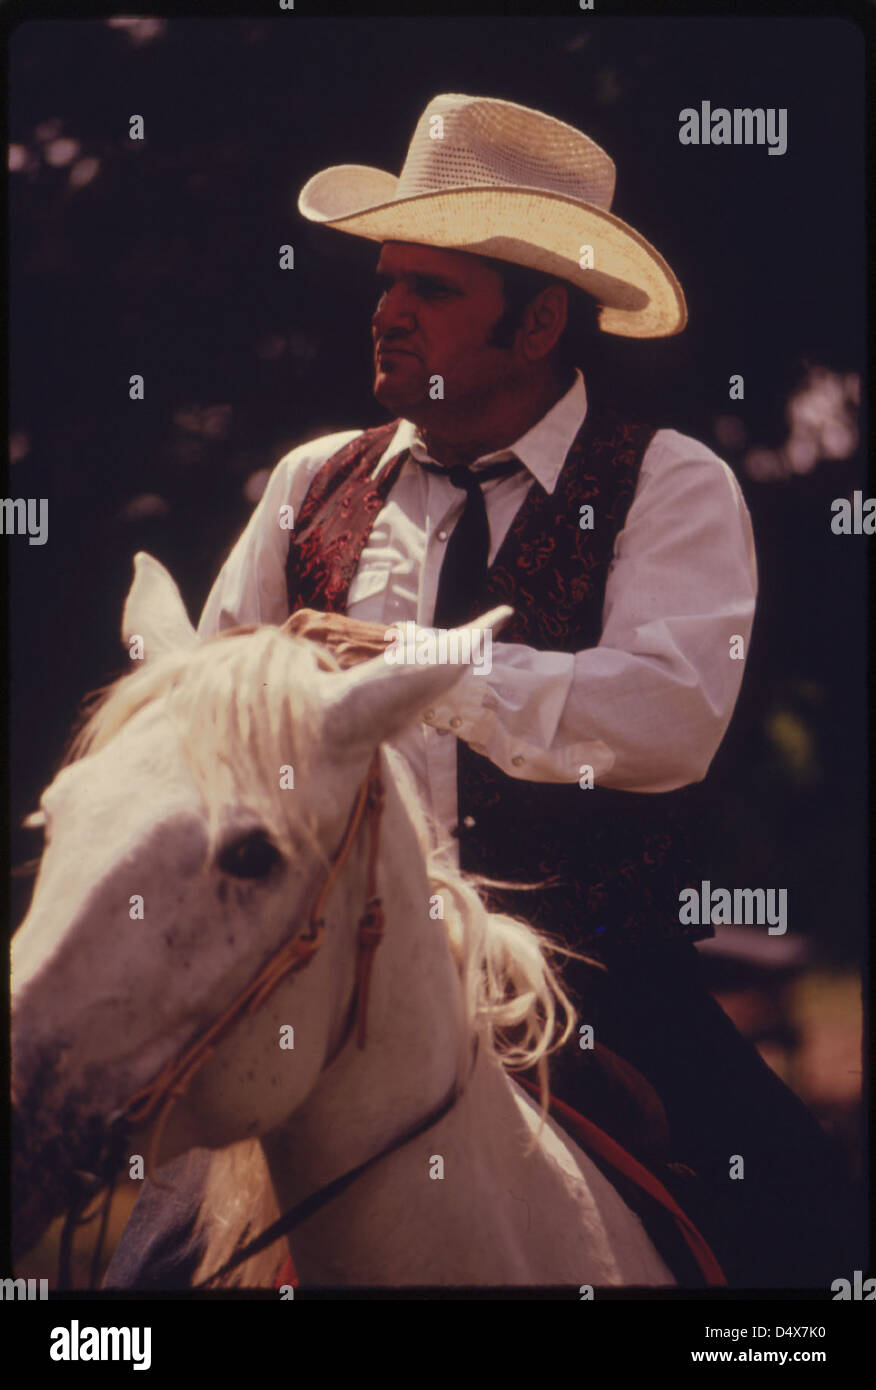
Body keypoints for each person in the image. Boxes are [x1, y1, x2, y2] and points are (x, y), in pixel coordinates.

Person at [104, 92, 857, 1290]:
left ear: (542, 319)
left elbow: (667, 717)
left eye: (432, 289)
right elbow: (210, 736)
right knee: (140, 1277)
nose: (387, 311)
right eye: (388, 280)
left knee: (812, 1246)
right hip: (326, 996)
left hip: (596, 996)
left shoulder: (670, 480)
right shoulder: (311, 482)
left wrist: (416, 675)